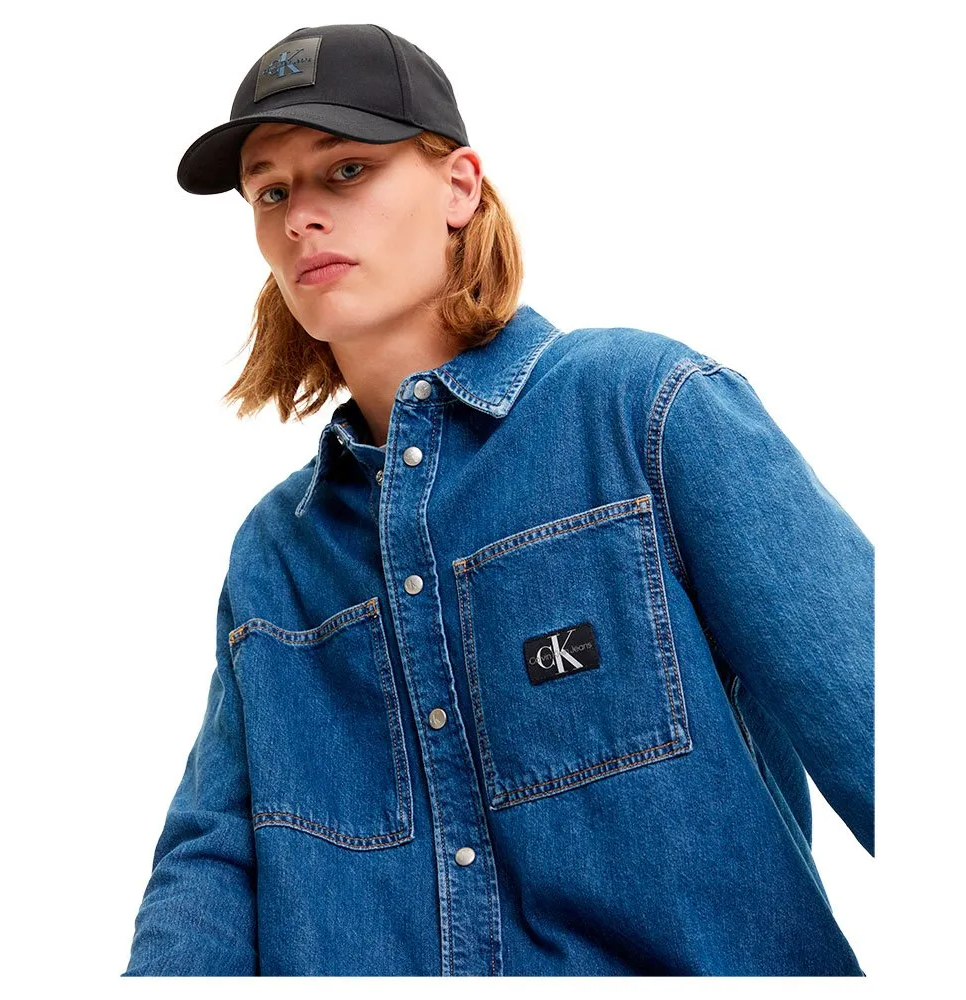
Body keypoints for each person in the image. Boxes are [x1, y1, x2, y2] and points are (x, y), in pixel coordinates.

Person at [122, 22, 874, 977]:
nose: (301, 216)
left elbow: (885, 724)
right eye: (270, 191)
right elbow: (215, 861)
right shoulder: (277, 552)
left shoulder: (644, 412)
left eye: (346, 170)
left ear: (460, 186)